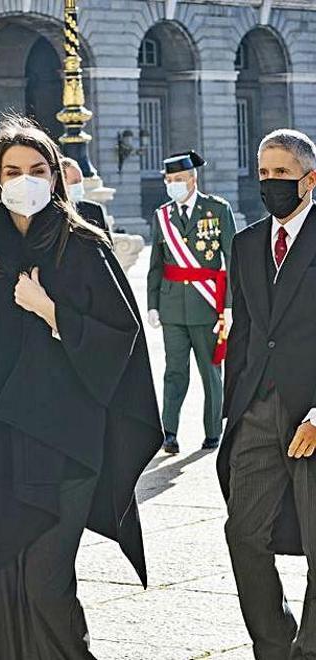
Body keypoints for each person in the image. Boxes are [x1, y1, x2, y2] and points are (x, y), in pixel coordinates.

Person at [0, 115, 163, 659]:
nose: (26, 179)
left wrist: (53, 313)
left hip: (68, 446)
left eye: (38, 169)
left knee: (45, 584)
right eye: (13, 170)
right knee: (0, 580)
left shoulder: (84, 246)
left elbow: (122, 341)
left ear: (56, 177)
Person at [219, 128, 316, 659]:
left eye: (282, 173)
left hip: (314, 418)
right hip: (257, 409)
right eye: (264, 173)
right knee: (244, 536)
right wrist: (236, 407)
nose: (271, 183)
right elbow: (249, 334)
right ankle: (274, 645)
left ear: (310, 178)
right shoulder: (246, 242)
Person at [146, 150, 235, 453]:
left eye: (179, 179)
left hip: (206, 305)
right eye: (169, 180)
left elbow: (232, 261)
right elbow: (156, 264)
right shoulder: (162, 216)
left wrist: (229, 306)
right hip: (172, 307)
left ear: (193, 179)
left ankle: (213, 432)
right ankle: (168, 432)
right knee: (174, 371)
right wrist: (153, 304)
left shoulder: (217, 210)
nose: (173, 185)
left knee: (210, 373)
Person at [60, 157, 111, 239]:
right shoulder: (50, 214)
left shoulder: (95, 210)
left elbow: (108, 247)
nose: (79, 186)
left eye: (81, 181)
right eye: (75, 182)